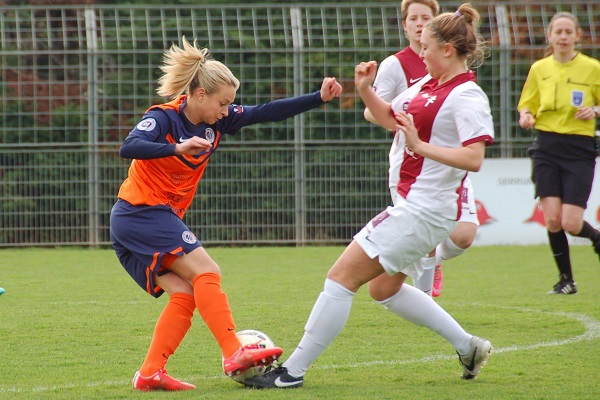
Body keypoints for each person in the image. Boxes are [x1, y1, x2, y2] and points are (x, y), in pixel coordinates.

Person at [244, 3, 494, 389]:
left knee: (341, 277)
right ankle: (469, 346)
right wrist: (364, 89)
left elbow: (474, 157)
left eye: (426, 45)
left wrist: (420, 145)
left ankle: (291, 373)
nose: (420, 52)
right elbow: (387, 116)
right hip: (412, 206)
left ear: (447, 49)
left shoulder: (466, 95)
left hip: (426, 211)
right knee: (383, 289)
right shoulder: (426, 85)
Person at [109, 36, 342, 391]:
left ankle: (150, 373)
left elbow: (265, 111)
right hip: (140, 212)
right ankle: (234, 351)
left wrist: (318, 98)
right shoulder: (163, 117)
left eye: (230, 104)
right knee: (208, 270)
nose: (226, 110)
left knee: (186, 293)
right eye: (222, 103)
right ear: (199, 94)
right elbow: (129, 147)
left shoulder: (217, 121)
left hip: (147, 219)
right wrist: (176, 147)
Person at [365, 0, 479, 298]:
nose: (418, 23)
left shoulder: (453, 64)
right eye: (413, 18)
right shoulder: (395, 64)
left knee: (464, 235)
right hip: (413, 163)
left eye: (425, 17)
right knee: (423, 237)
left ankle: (432, 262)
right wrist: (402, 114)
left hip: (450, 161)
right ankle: (426, 296)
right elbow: (372, 112)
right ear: (404, 25)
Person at [517, 12, 600, 295]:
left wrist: (596, 110)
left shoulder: (592, 68)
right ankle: (566, 280)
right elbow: (526, 106)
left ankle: (596, 237)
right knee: (552, 219)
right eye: (558, 32)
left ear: (578, 36)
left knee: (571, 222)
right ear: (550, 37)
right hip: (547, 148)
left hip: (579, 149)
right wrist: (526, 116)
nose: (563, 37)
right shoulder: (539, 69)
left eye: (568, 32)